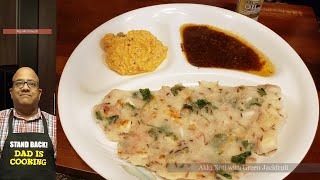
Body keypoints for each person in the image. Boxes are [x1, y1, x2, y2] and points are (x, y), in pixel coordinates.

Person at [0, 67, 56, 180]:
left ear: (39, 93)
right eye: (19, 83)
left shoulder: (55, 123)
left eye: (32, 84)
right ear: (11, 93)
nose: (25, 88)